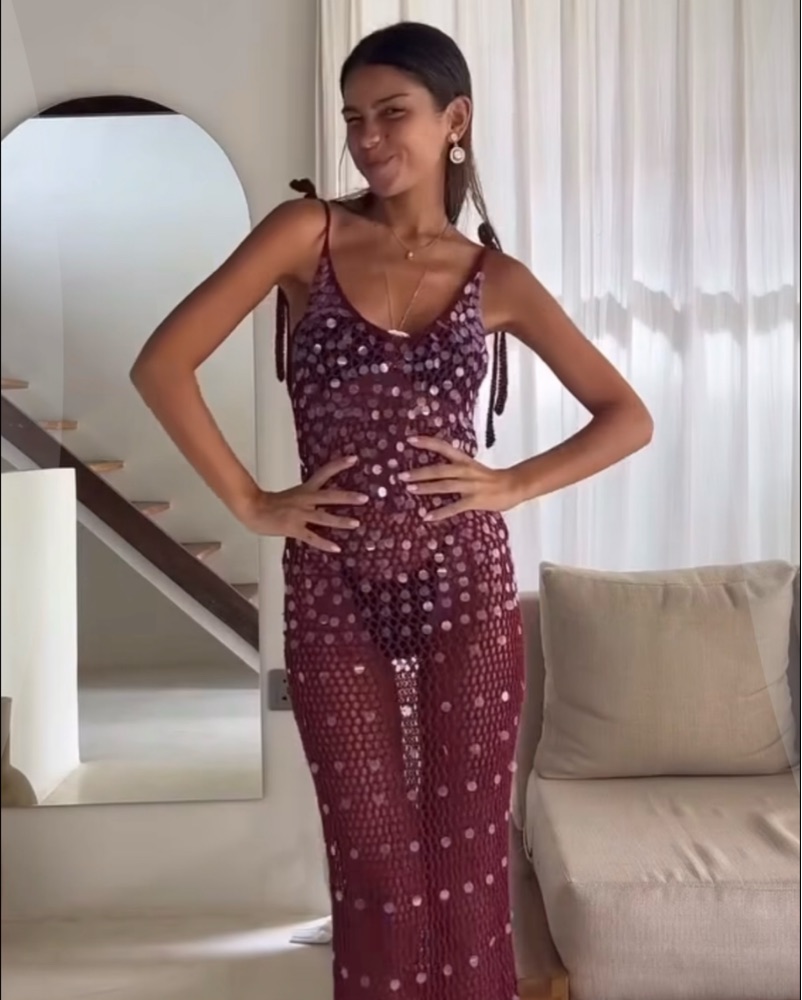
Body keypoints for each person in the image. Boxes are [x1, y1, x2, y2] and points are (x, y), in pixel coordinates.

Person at [131, 20, 653, 1000]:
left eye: (391, 114)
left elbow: (628, 416)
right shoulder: (307, 234)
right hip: (333, 589)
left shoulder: (497, 280)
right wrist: (250, 501)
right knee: (375, 872)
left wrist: (509, 483)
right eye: (353, 119)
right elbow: (163, 363)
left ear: (454, 120)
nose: (367, 138)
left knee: (465, 874)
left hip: (466, 591)